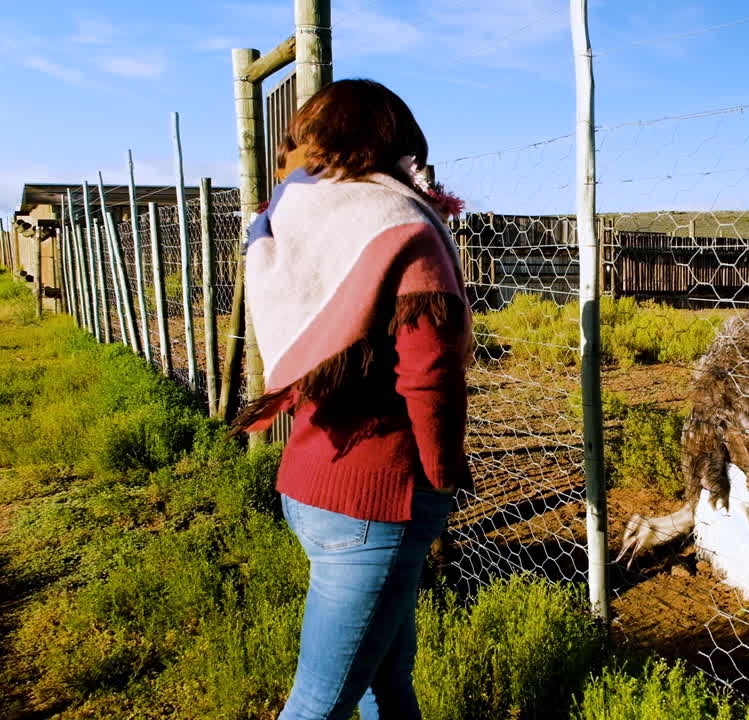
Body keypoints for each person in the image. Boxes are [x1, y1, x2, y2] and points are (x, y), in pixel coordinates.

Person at [235, 78, 472, 720]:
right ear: (398, 143)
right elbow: (431, 374)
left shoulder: (292, 220)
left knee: (386, 682)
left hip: (310, 483)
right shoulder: (400, 226)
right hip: (378, 498)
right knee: (320, 703)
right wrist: (444, 477)